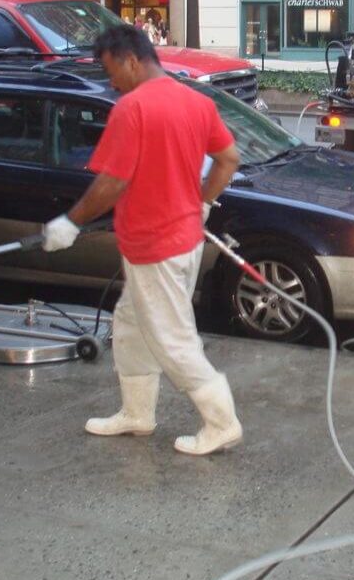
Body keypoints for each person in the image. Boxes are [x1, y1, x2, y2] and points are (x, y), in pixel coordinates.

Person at [41, 24, 244, 456]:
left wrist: (71, 222)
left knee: (172, 339)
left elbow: (113, 182)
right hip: (180, 239)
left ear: (132, 60)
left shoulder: (131, 109)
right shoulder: (196, 101)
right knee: (132, 325)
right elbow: (228, 159)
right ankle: (138, 413)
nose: (109, 81)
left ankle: (221, 422)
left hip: (157, 247)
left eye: (110, 69)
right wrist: (202, 201)